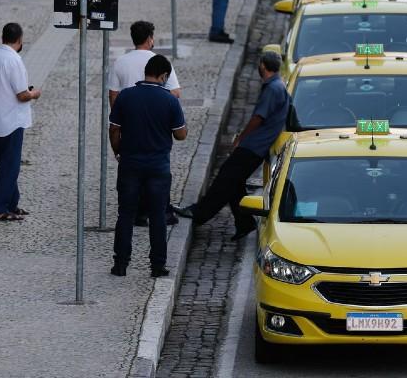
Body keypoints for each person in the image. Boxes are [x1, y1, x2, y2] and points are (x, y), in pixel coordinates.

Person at [173, 51, 289, 240]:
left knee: (225, 179)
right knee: (235, 183)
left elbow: (258, 118)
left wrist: (240, 138)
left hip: (253, 146)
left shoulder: (273, 89)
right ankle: (245, 223)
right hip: (258, 146)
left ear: (262, 66)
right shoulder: (278, 86)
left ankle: (200, 213)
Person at [109, 55, 188, 278]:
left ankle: (121, 264)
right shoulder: (170, 101)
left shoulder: (126, 96)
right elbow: (180, 134)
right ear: (163, 76)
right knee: (157, 216)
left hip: (130, 164)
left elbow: (114, 129)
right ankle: (157, 265)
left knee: (125, 213)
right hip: (158, 167)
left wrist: (118, 151)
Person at [109, 20, 181, 226]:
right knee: (159, 167)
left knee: (132, 168)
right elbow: (175, 92)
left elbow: (113, 95)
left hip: (129, 122)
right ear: (150, 39)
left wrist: (119, 121)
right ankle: (163, 211)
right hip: (156, 122)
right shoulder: (159, 61)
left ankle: (138, 213)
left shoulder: (120, 62)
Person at [0, 23, 41, 221]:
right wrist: (34, 93)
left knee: (5, 164)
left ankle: (11, 204)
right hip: (12, 121)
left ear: (2, 37)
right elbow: (22, 95)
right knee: (10, 166)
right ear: (19, 40)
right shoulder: (14, 60)